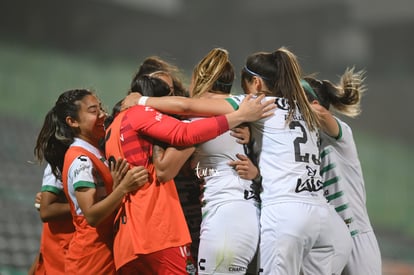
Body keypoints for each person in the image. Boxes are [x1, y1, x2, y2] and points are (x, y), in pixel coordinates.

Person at [122, 46, 344, 275]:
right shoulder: (284, 111)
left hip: (235, 222)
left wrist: (142, 104)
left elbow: (165, 166)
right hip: (289, 215)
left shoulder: (236, 110)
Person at [104, 75, 274, 274]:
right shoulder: (141, 114)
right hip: (158, 231)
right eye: (168, 99)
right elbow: (180, 141)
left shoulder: (115, 126)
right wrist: (237, 117)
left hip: (128, 240)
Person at [34, 88, 149, 275]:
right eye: (93, 111)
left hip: (104, 252)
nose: (102, 115)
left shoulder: (96, 151)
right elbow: (92, 216)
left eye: (101, 108)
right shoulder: (81, 160)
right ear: (73, 122)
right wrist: (124, 188)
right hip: (91, 260)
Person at [185, 48, 261, 274]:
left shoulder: (195, 116)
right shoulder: (243, 109)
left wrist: (143, 102)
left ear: (199, 78)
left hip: (226, 220)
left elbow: (165, 169)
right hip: (245, 214)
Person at [301, 68, 382, 275]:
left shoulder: (341, 134)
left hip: (356, 236)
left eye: (294, 101)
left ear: (314, 104)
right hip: (325, 238)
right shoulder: (300, 144)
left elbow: (320, 115)